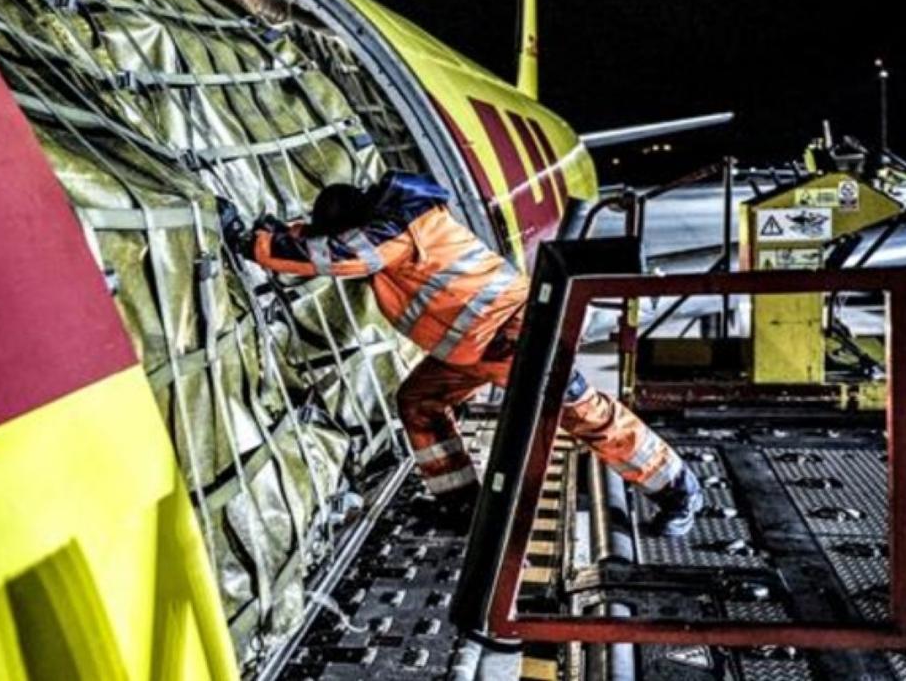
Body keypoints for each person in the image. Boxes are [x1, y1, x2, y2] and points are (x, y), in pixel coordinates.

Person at [219, 170, 702, 536]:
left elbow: (342, 255)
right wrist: (284, 234)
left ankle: (678, 489)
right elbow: (332, 242)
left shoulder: (397, 232)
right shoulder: (388, 219)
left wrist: (250, 242)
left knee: (582, 414)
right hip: (476, 345)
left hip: (517, 332)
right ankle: (462, 504)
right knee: (419, 401)